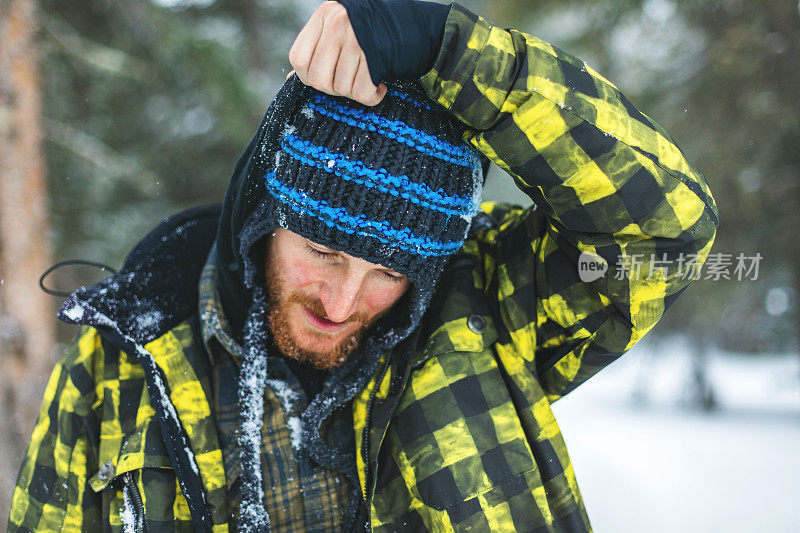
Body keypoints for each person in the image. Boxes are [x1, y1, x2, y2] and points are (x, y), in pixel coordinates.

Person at [8, 1, 718, 531]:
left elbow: (664, 232)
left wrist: (451, 50)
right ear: (264, 210)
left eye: (389, 271)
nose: (344, 301)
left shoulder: (492, 307)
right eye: (322, 250)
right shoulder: (120, 365)